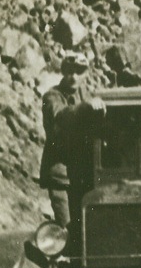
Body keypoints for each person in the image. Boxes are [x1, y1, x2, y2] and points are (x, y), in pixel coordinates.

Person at [39, 52, 105, 227]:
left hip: (83, 175)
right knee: (66, 227)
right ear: (63, 72)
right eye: (69, 71)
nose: (74, 76)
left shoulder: (88, 95)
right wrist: (86, 108)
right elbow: (61, 117)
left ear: (86, 73)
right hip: (61, 177)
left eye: (79, 71)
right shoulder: (52, 96)